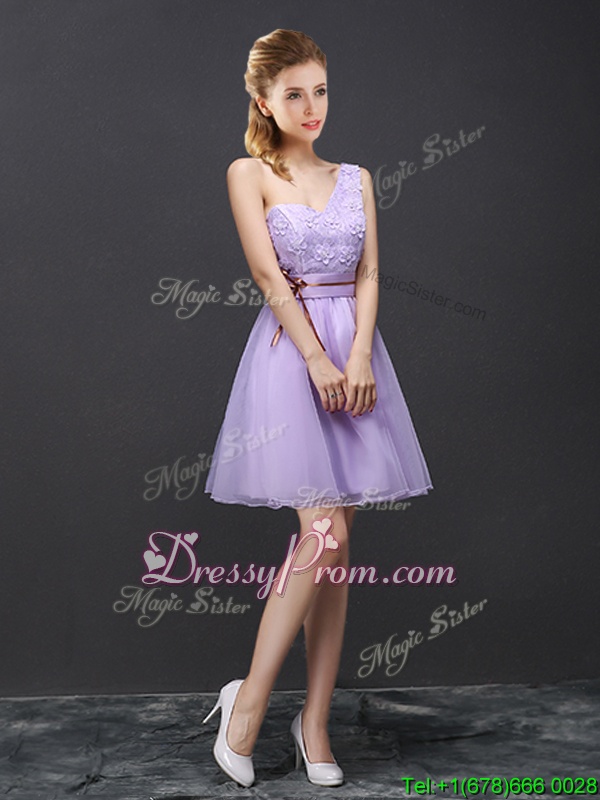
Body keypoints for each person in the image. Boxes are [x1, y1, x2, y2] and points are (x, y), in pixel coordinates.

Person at [202, 28, 433, 788]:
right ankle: (247, 705)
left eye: (320, 91)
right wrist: (317, 358)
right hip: (292, 357)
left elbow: (369, 274)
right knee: (321, 534)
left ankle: (316, 722)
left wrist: (359, 355)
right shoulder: (249, 173)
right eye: (294, 93)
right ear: (263, 100)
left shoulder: (356, 177)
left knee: (337, 549)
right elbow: (268, 277)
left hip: (356, 361)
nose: (311, 107)